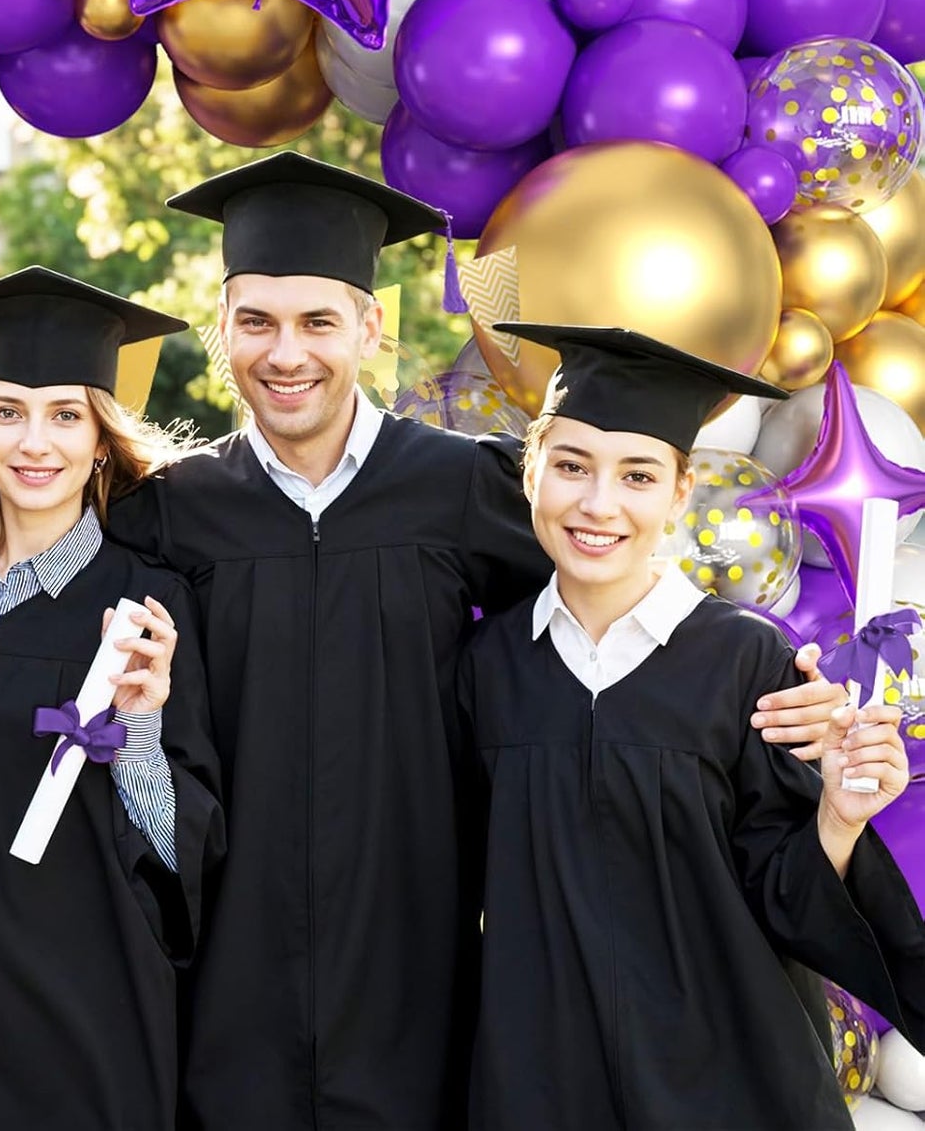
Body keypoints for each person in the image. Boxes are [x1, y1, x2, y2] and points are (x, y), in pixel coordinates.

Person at [105, 151, 851, 1129]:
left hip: (426, 982)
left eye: (318, 320)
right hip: (228, 986)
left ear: (370, 326)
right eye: (256, 321)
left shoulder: (461, 485)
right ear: (223, 327)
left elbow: (608, 608)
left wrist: (771, 678)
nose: (286, 351)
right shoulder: (172, 512)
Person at [460, 323, 925, 1129]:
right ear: (529, 471)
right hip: (546, 1078)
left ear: (679, 491)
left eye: (637, 475)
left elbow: (785, 891)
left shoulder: (744, 661)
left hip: (728, 1077)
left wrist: (838, 817)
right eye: (569, 466)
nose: (597, 503)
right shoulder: (488, 664)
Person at [0, 266, 226, 1131]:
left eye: (66, 414)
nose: (35, 442)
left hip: (85, 1028)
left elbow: (182, 856)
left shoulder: (146, 606)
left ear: (101, 439)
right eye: (8, 412)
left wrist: (139, 730)